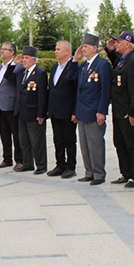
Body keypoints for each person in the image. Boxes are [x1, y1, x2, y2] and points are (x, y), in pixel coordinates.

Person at [69, 33, 112, 185]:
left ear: (95, 48)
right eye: (82, 46)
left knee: (96, 144)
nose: (83, 49)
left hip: (94, 112)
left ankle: (99, 174)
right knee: (85, 144)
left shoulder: (103, 65)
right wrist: (75, 59)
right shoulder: (83, 66)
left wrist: (102, 111)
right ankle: (89, 172)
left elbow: (105, 90)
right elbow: (71, 78)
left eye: (86, 46)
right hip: (82, 111)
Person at [106, 30, 134, 188]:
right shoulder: (123, 59)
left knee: (132, 145)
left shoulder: (133, 60)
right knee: (120, 143)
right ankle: (125, 173)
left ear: (128, 44)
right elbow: (117, 64)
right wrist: (110, 51)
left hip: (127, 112)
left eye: (119, 42)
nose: (116, 44)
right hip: (118, 110)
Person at [4, 46, 48, 174]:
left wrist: (41, 114)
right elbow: (8, 76)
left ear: (34, 60)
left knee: (36, 141)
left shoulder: (40, 73)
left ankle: (41, 165)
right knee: (23, 141)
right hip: (21, 112)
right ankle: (28, 164)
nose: (24, 60)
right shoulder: (21, 72)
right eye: (23, 58)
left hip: (34, 113)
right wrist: (14, 63)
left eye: (27, 58)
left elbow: (42, 96)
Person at [47, 40, 78, 178]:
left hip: (68, 111)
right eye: (55, 49)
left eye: (58, 49)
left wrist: (75, 111)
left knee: (69, 140)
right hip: (55, 111)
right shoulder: (55, 68)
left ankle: (71, 167)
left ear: (67, 51)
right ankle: (60, 165)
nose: (56, 51)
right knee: (58, 140)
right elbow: (51, 89)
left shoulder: (73, 67)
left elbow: (77, 91)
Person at [0, 42, 23, 169]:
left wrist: (13, 64)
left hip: (11, 105)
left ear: (12, 52)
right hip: (0, 105)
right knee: (4, 134)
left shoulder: (18, 66)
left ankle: (19, 159)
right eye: (1, 49)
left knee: (16, 134)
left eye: (4, 49)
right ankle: (7, 158)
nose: (1, 51)